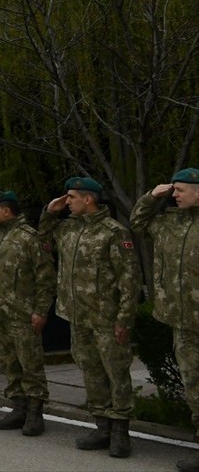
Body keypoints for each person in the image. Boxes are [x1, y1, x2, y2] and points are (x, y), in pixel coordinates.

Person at [41, 177, 140, 458]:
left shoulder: (114, 232)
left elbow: (129, 279)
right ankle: (102, 426)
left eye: (71, 197)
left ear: (88, 199)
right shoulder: (68, 229)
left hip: (106, 318)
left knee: (115, 372)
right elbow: (42, 239)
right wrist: (50, 212)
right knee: (91, 371)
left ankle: (120, 431)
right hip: (78, 316)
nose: (67, 202)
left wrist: (124, 319)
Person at [0, 191, 55, 436]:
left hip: (22, 314)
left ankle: (35, 413)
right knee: (7, 361)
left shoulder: (30, 238)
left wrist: (41, 311)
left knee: (30, 364)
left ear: (7, 211)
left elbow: (46, 278)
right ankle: (19, 407)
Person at [131, 168, 199, 472]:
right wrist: (151, 197)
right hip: (182, 322)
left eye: (180, 190)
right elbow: (137, 223)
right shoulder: (169, 224)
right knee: (194, 386)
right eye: (174, 190)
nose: (175, 195)